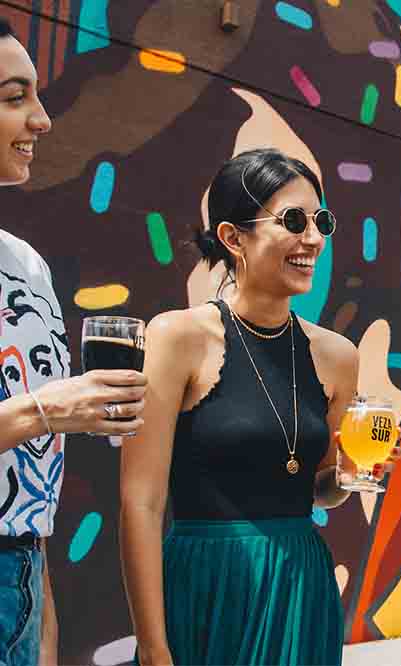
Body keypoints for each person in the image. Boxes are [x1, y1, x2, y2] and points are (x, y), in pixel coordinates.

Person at [119, 148, 401, 665]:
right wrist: (154, 647)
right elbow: (141, 503)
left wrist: (353, 471)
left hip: (301, 588)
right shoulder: (177, 336)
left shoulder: (337, 355)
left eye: (321, 221)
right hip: (207, 585)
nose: (313, 238)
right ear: (233, 237)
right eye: (293, 220)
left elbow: (320, 490)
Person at [0, 18, 147, 666]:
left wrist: (41, 612)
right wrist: (45, 411)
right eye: (12, 97)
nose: (41, 119)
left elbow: (32, 475)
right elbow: (40, 417)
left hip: (23, 574)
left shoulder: (23, 263)